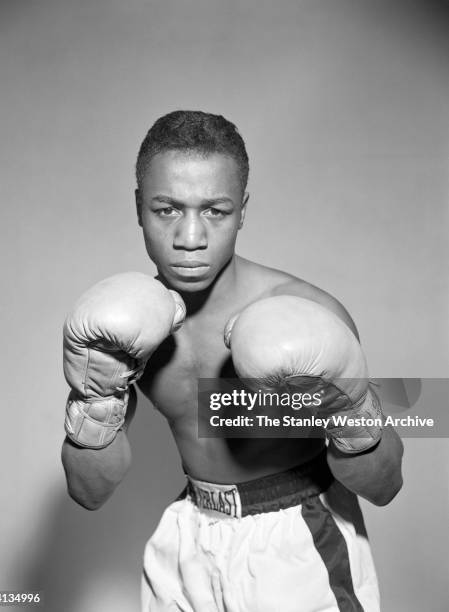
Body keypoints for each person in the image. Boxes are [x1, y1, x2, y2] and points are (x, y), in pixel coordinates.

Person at [61, 110, 403, 611]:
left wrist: (347, 412)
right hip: (187, 535)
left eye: (215, 211)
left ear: (243, 209)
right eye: (168, 210)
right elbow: (89, 492)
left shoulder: (308, 311)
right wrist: (95, 402)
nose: (191, 238)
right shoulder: (124, 324)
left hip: (298, 539)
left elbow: (386, 485)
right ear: (138, 207)